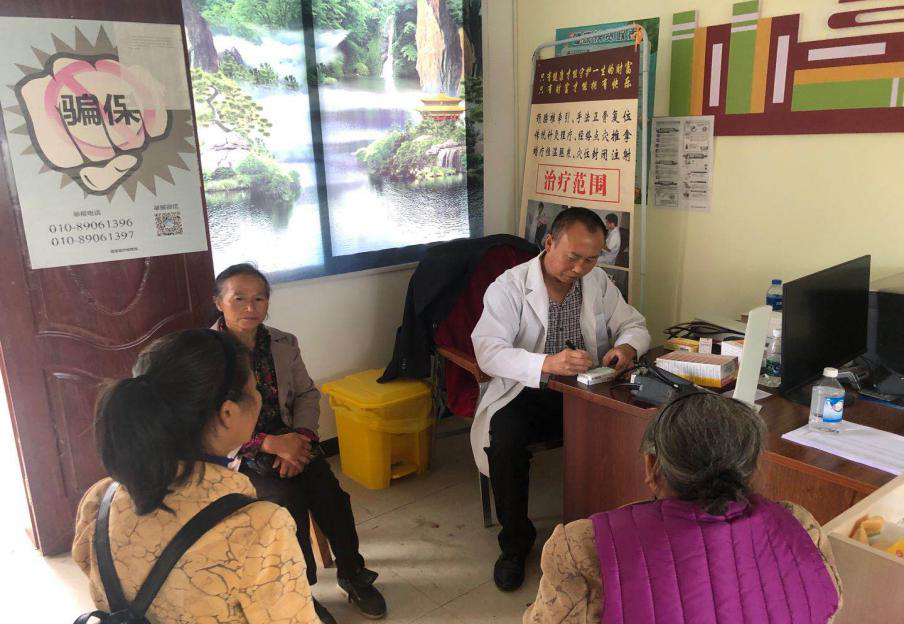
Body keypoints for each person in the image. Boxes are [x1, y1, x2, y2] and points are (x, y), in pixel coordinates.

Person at [524, 393, 843, 623]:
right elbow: (830, 605)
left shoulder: (581, 546)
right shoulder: (800, 525)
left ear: (651, 466)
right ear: (751, 470)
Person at [72, 329, 322, 623]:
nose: (259, 397)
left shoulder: (102, 498)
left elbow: (90, 567)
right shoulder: (260, 527)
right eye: (255, 390)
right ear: (227, 413)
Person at [471, 207, 651, 592]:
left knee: (632, 426)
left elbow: (633, 324)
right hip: (526, 390)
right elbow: (488, 352)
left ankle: (610, 529)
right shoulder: (509, 286)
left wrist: (626, 348)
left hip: (585, 388)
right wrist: (546, 363)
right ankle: (515, 544)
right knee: (506, 443)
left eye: (591, 259)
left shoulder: (596, 281)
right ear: (549, 242)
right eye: (573, 257)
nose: (580, 268)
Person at [212, 263, 385, 623]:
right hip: (240, 453)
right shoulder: (204, 354)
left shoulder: (283, 343)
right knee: (285, 504)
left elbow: (307, 393)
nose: (250, 307)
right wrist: (268, 444)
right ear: (218, 302)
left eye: (260, 298)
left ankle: (353, 573)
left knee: (331, 496)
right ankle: (301, 592)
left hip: (293, 441)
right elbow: (208, 421)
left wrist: (302, 439)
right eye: (239, 298)